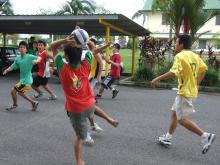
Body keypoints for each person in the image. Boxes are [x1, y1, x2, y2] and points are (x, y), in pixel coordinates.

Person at [50, 35, 119, 165]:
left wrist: (65, 40)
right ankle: (109, 118)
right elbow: (94, 50)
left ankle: (78, 161)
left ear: (66, 56)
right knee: (92, 108)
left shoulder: (62, 68)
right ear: (81, 54)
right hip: (89, 103)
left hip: (76, 110)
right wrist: (87, 41)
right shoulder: (86, 66)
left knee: (79, 138)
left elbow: (52, 46)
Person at [151, 34, 215, 154]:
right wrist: (196, 84)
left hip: (184, 92)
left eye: (176, 43)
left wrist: (156, 79)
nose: (175, 45)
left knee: (181, 119)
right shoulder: (194, 55)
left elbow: (173, 72)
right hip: (191, 91)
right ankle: (168, 137)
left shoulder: (180, 56)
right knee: (174, 113)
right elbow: (204, 69)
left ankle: (205, 135)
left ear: (181, 44)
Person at [84, 38, 111, 144]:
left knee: (86, 104)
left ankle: (88, 130)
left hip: (90, 78)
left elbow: (101, 63)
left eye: (90, 43)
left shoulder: (94, 52)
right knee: (88, 104)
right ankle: (92, 125)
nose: (88, 45)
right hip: (85, 79)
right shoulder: (87, 52)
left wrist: (99, 76)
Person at [3, 41, 41, 111]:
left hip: (27, 81)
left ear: (26, 49)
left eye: (24, 47)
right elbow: (13, 66)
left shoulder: (29, 56)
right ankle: (34, 102)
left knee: (13, 91)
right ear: (19, 49)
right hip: (22, 80)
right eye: (20, 47)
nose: (22, 49)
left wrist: (37, 61)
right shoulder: (18, 58)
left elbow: (39, 57)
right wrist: (7, 70)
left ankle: (15, 104)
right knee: (20, 92)